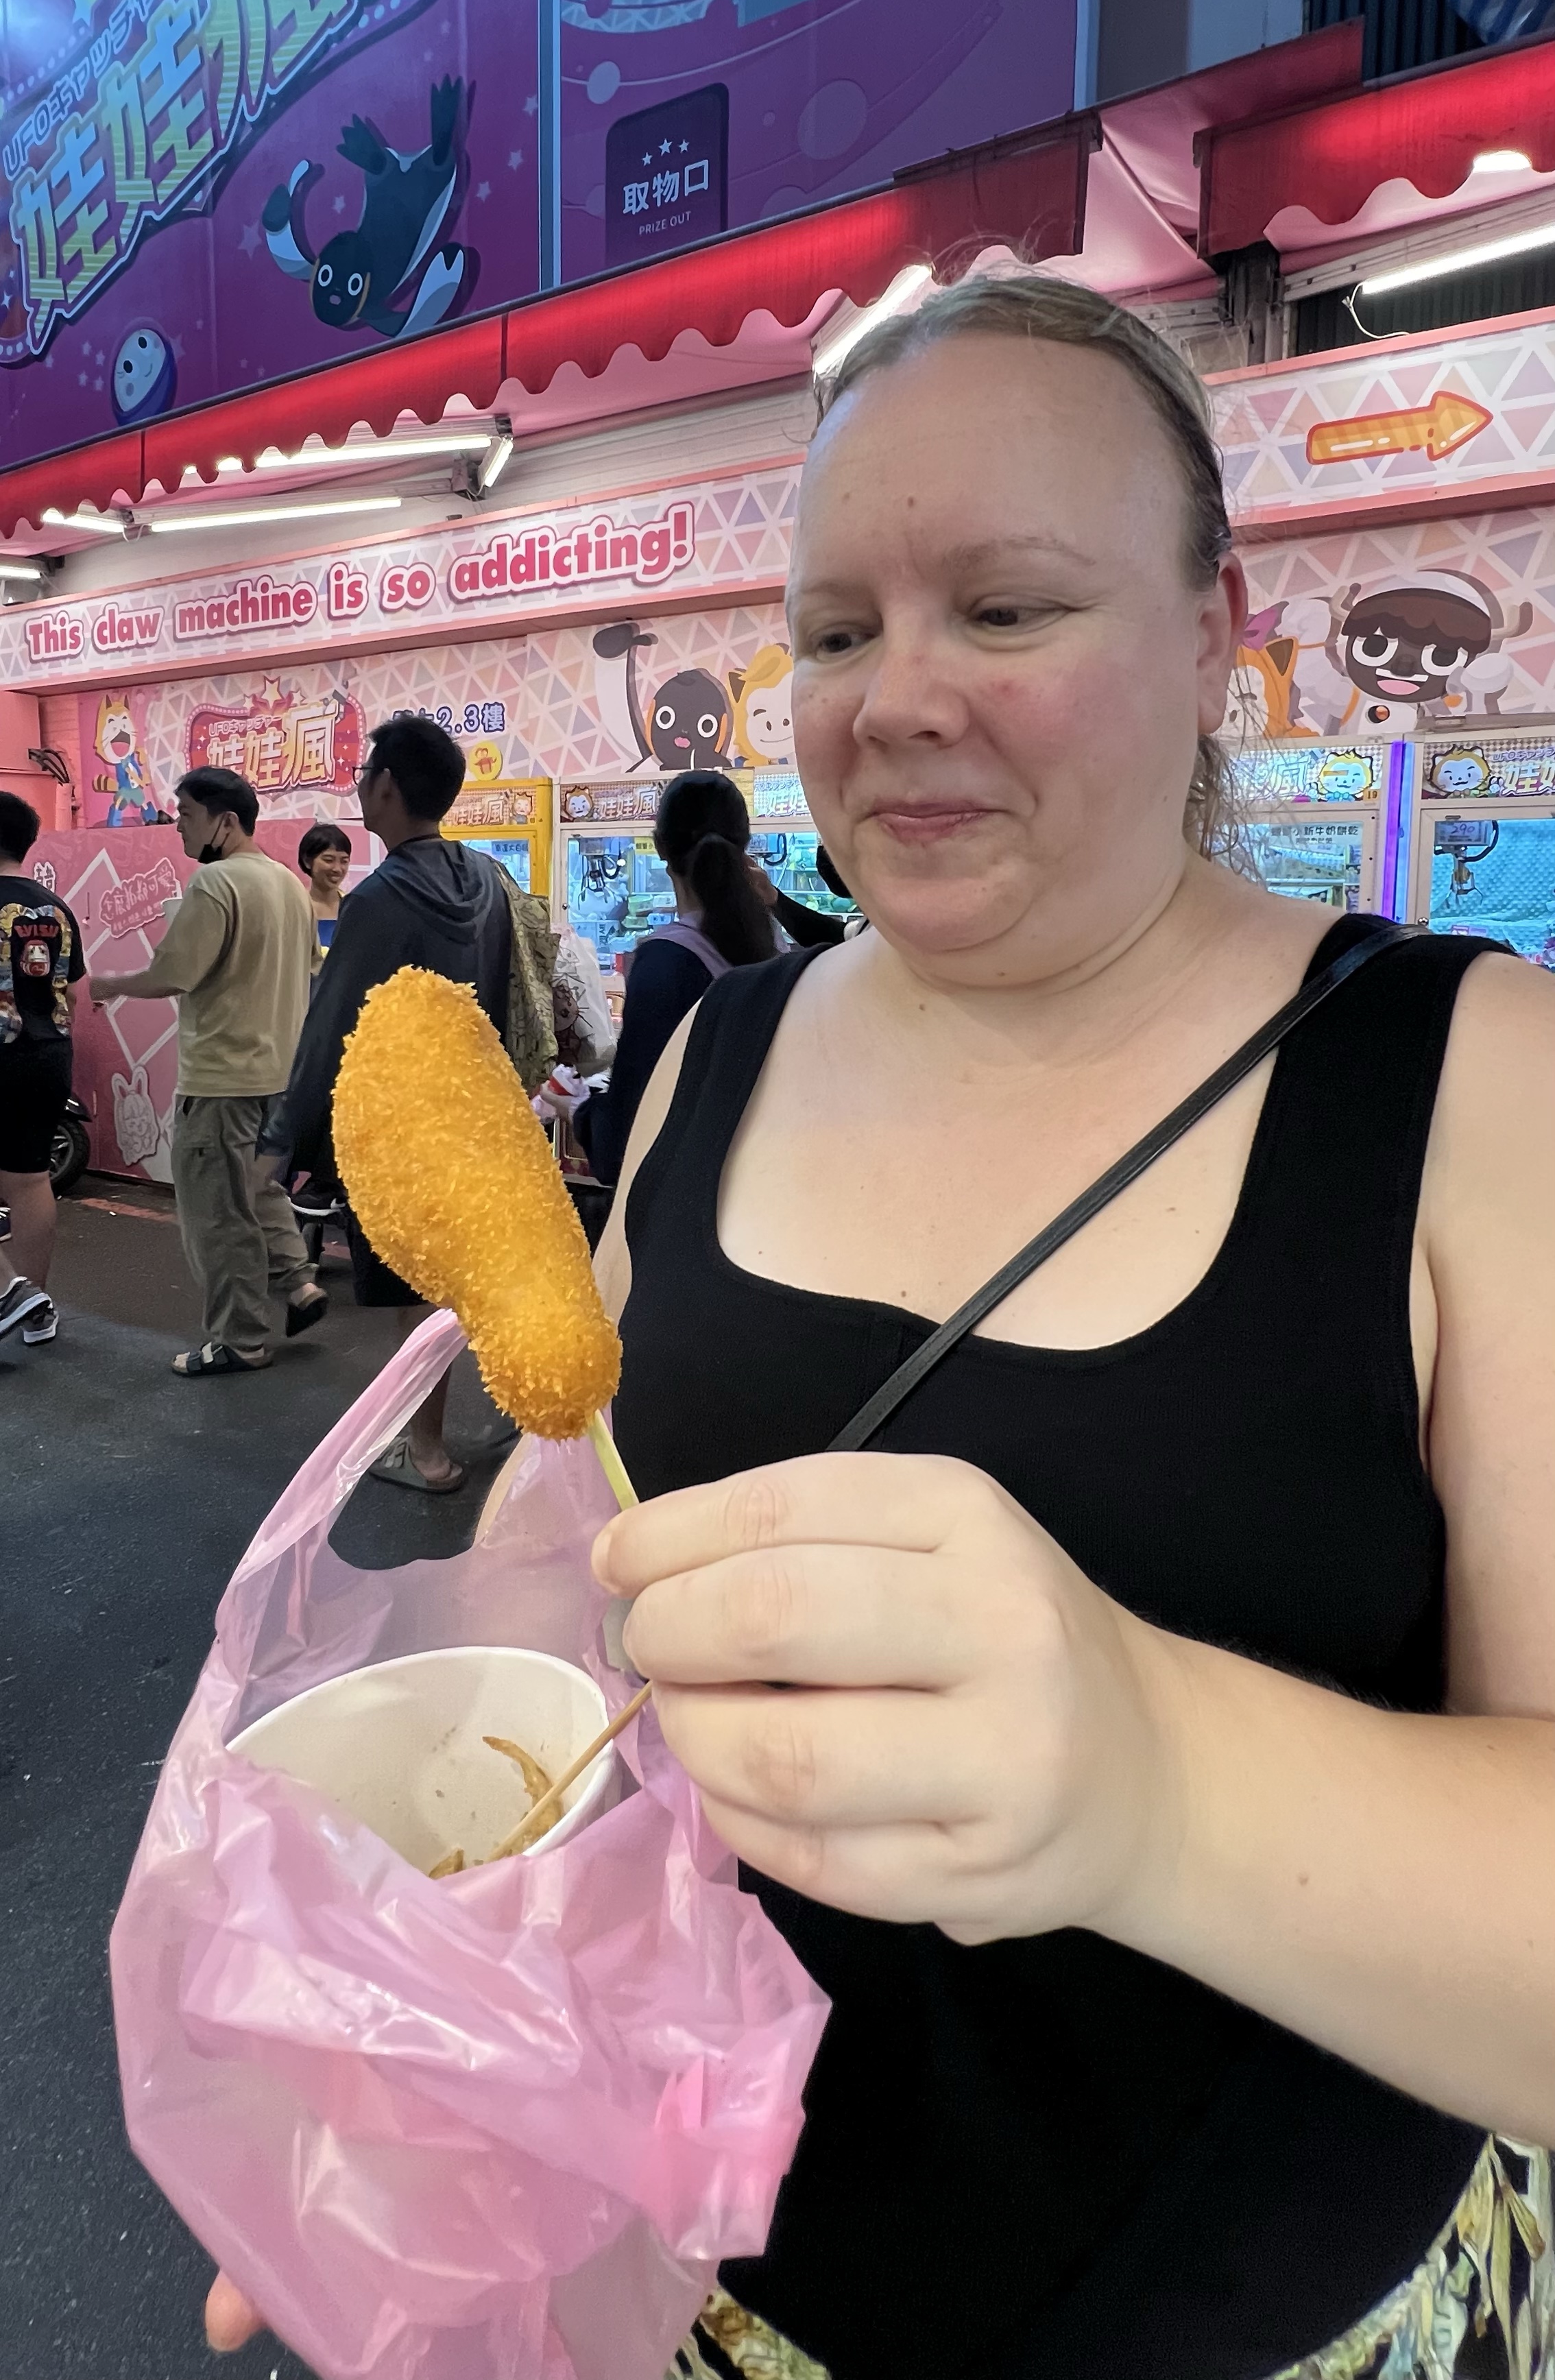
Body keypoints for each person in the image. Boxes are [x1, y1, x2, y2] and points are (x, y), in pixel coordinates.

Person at [207, 274, 1555, 2377]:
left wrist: (1156, 1778)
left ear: (1217, 631)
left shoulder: (1480, 1083)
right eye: (835, 632)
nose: (895, 699)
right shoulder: (711, 1060)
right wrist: (432, 2013)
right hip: (706, 2297)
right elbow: (574, 1613)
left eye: (1007, 609)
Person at [262, 714, 545, 1494]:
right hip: (476, 1115)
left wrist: (281, 1141)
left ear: (387, 785)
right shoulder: (487, 879)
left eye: (365, 774)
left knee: (417, 1294)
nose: (361, 787)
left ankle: (426, 1452)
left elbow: (331, 1032)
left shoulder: (379, 899)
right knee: (456, 1282)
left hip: (401, 1130)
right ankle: (509, 1431)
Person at [89, 769, 323, 1376]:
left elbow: (174, 973)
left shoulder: (216, 883)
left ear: (226, 821)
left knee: (218, 1217)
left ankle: (240, 1339)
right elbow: (312, 969)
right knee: (260, 1190)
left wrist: (107, 986)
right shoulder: (288, 884)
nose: (178, 828)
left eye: (187, 815)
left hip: (221, 1079)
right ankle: (299, 1283)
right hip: (278, 1075)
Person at [570, 769, 776, 1188]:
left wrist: (579, 1108)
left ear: (661, 847)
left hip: (689, 1197)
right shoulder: (773, 944)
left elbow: (625, 1142)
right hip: (760, 1185)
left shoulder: (667, 960)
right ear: (745, 845)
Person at [0, 789, 85, 1345]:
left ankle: (11, 1292)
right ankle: (35, 1306)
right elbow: (74, 992)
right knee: (30, 1179)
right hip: (49, 1053)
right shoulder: (55, 908)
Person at [297, 821, 352, 957]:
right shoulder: (296, 907)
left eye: (344, 861)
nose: (337, 869)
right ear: (307, 861)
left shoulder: (353, 908)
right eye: (329, 860)